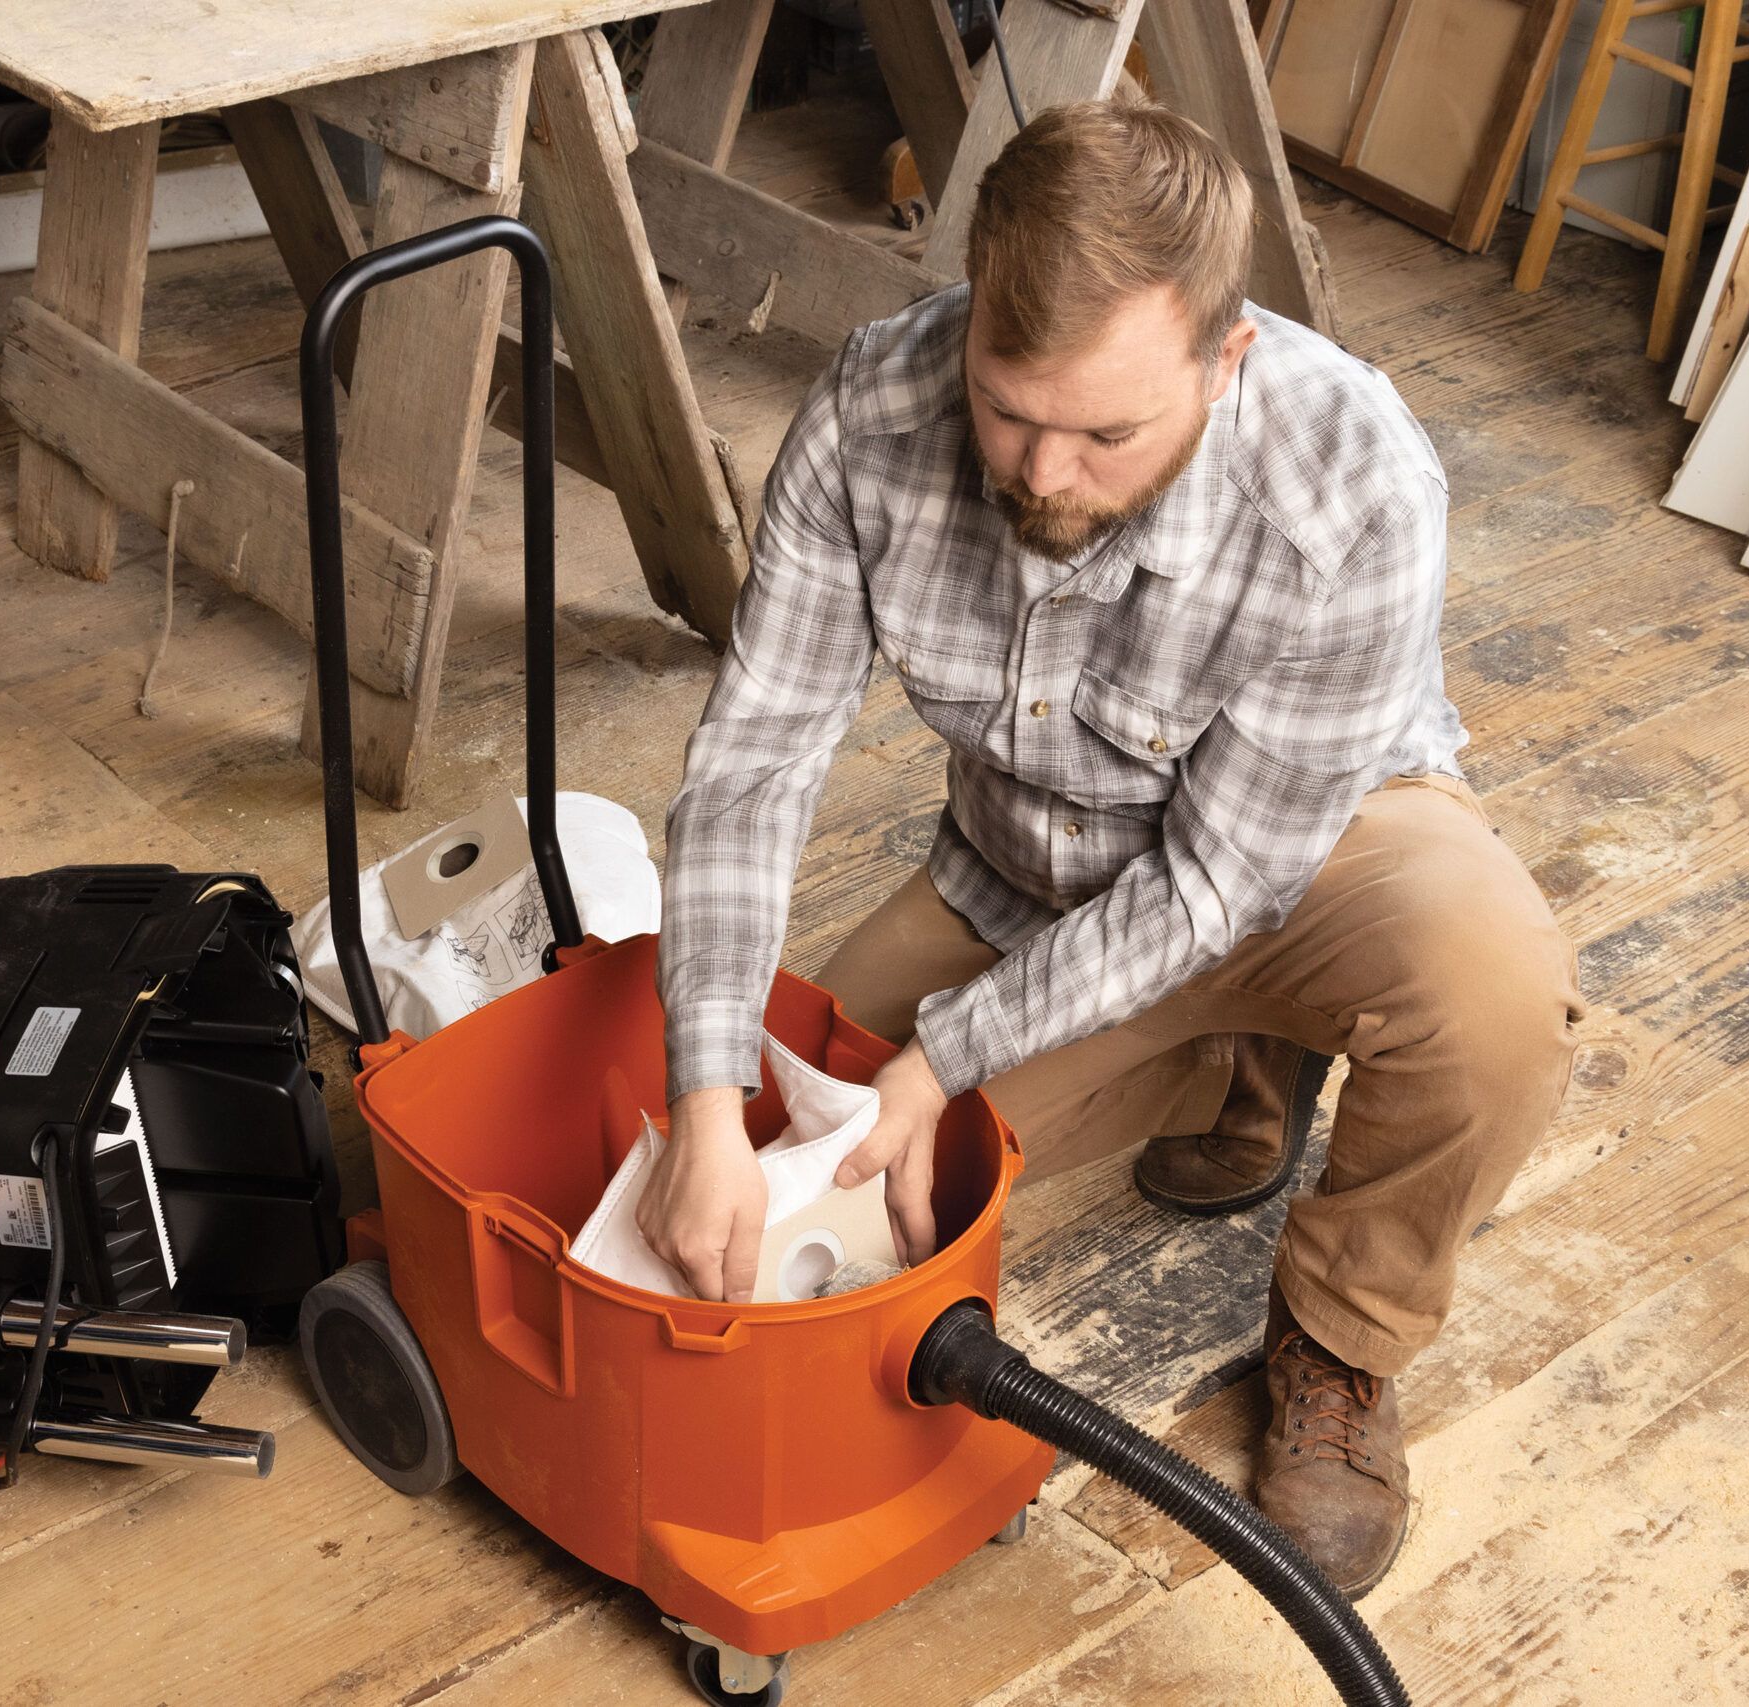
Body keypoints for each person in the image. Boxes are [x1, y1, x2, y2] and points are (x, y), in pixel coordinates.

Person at [641, 97, 1583, 1597]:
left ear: (1227, 357)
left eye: (1106, 432)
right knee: (808, 1160)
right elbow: (755, 769)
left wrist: (947, 1057)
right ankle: (1240, 1064)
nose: (1045, 475)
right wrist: (701, 1099)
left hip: (1311, 851)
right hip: (1021, 875)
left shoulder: (1358, 482)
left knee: (1498, 1000)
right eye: (1010, 409)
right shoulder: (869, 418)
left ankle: (1341, 1338)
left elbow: (1220, 880)